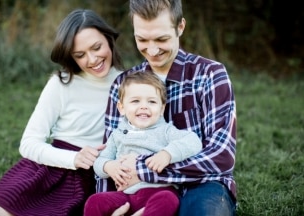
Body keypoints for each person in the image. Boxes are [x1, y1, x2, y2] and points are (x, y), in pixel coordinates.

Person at [0, 8, 124, 216]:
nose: (92, 59)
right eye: (80, 55)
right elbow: (29, 143)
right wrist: (73, 158)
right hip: (51, 168)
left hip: (97, 176)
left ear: (108, 39)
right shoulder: (61, 84)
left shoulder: (128, 84)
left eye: (96, 47)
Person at [100, 0, 238, 215]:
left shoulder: (210, 75)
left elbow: (221, 157)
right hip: (137, 190)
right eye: (142, 39)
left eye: (161, 39)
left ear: (180, 27)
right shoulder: (123, 84)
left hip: (201, 184)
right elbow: (110, 154)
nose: (152, 50)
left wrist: (145, 169)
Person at [84, 72, 202, 216]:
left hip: (158, 191)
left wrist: (167, 154)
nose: (144, 107)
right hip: (126, 197)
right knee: (95, 201)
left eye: (152, 102)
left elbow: (193, 141)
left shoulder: (165, 130)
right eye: (135, 101)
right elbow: (99, 162)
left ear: (162, 109)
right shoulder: (117, 134)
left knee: (168, 199)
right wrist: (108, 166)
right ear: (121, 108)